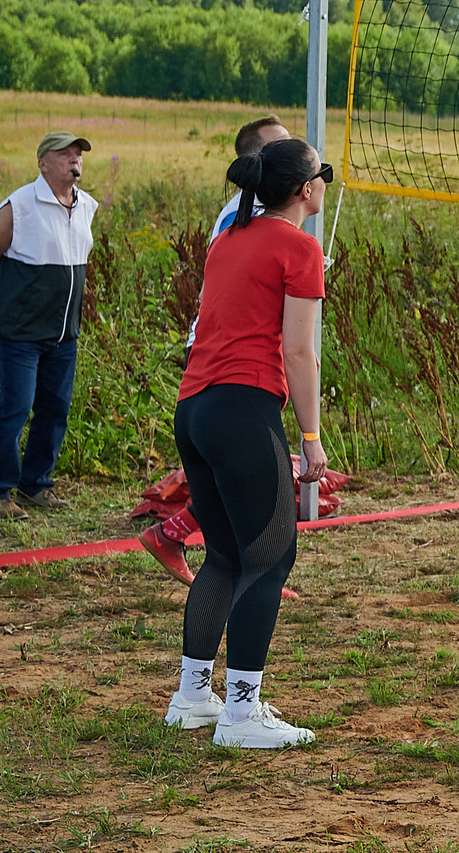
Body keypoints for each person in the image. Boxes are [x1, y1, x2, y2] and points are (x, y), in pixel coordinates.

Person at [161, 137, 333, 748]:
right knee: (270, 555)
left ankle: (192, 696)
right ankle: (240, 714)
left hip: (195, 408)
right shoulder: (299, 247)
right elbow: (299, 350)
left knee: (228, 555)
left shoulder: (228, 239)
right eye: (323, 176)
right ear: (305, 189)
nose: (325, 185)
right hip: (242, 409)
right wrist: (311, 437)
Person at [141, 115, 293, 583]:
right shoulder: (242, 215)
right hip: (223, 355)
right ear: (257, 160)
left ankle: (202, 549)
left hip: (238, 353)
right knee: (247, 474)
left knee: (243, 473)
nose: (296, 156)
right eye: (282, 149)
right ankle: (234, 566)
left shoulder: (261, 214)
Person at [0, 132, 98, 519]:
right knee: (16, 408)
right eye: (65, 154)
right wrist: (1, 300)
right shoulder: (19, 205)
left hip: (64, 335)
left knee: (55, 409)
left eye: (78, 154)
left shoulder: (87, 206)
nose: (74, 160)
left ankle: (35, 486)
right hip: (20, 334)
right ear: (43, 163)